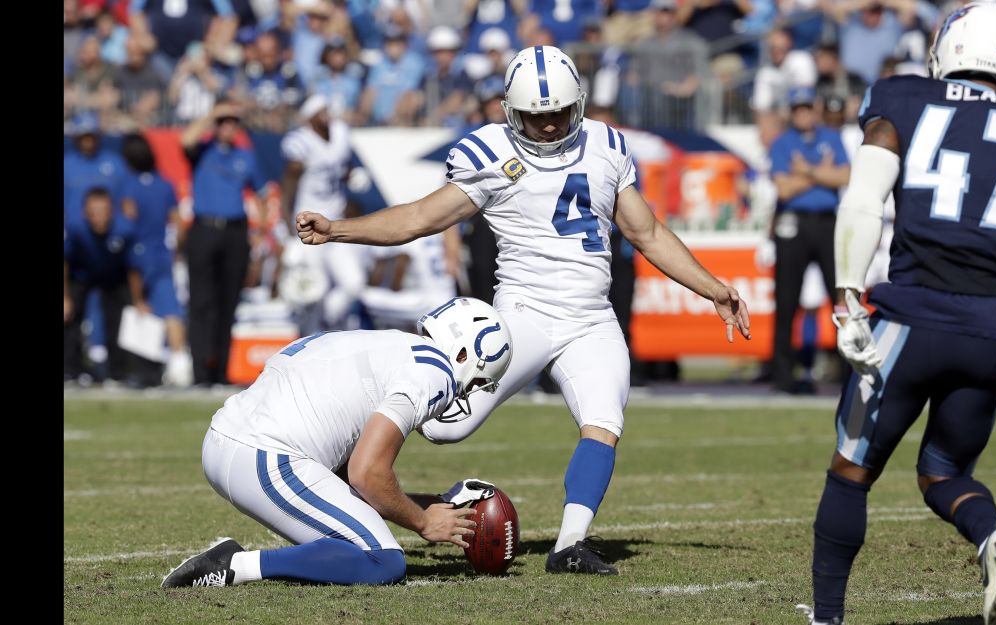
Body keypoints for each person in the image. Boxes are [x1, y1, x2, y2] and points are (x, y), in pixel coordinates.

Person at [295, 45, 751, 575]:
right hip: (523, 316)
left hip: (591, 316)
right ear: (512, 112)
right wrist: (338, 230)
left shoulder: (605, 143)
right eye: (537, 117)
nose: (552, 125)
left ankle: (569, 546)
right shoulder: (489, 154)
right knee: (444, 429)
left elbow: (645, 231)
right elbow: (420, 218)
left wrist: (712, 287)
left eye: (559, 112)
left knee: (603, 421)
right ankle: (343, 471)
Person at [795, 4, 996, 625]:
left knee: (850, 472)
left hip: (912, 317)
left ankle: (827, 616)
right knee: (943, 471)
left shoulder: (904, 97)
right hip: (991, 329)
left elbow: (863, 198)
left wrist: (850, 298)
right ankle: (991, 538)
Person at [160, 297, 513, 588]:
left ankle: (238, 562)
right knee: (383, 561)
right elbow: (366, 474)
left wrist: (432, 505)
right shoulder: (434, 370)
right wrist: (423, 522)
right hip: (266, 455)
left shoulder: (385, 344)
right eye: (476, 381)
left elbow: (348, 482)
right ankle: (235, 564)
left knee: (356, 545)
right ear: (465, 354)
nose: (467, 391)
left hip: (227, 442)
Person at [181, 98, 270, 386]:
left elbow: (262, 193)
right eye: (224, 122)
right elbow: (186, 139)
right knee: (201, 303)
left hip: (235, 231)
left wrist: (260, 231)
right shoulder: (203, 150)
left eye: (233, 122)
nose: (229, 127)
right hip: (204, 228)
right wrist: (214, 113)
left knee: (228, 302)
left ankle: (220, 371)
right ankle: (200, 372)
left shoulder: (245, 155)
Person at [767, 86, 849, 395]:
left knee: (839, 296)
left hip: (827, 222)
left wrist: (804, 171)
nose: (803, 113)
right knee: (787, 301)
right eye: (798, 108)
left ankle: (847, 370)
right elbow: (783, 190)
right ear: (791, 111)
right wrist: (819, 174)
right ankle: (783, 373)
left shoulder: (831, 136)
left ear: (815, 109)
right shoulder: (782, 143)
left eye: (807, 107)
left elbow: (845, 177)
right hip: (795, 222)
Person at [280, 95, 362, 332]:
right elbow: (289, 185)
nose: (326, 114)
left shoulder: (340, 133)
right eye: (319, 110)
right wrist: (289, 227)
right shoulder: (300, 142)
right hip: (310, 225)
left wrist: (350, 177)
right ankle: (310, 338)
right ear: (308, 117)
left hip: (336, 224)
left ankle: (326, 322)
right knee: (314, 289)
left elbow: (343, 168)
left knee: (353, 282)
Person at [119, 133, 193, 387]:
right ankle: (178, 363)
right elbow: (179, 224)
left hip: (137, 252)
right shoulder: (164, 184)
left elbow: (127, 219)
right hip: (161, 252)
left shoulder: (129, 185)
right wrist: (176, 249)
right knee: (170, 309)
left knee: (141, 309)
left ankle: (152, 368)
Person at [64, 187, 140, 384]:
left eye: (103, 210)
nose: (98, 217)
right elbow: (65, 261)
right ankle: (71, 370)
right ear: (85, 212)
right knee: (70, 315)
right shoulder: (75, 228)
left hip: (114, 276)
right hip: (82, 275)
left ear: (111, 211)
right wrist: (65, 297)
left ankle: (118, 371)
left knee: (120, 318)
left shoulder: (125, 229)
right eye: (93, 211)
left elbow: (133, 267)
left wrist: (138, 299)